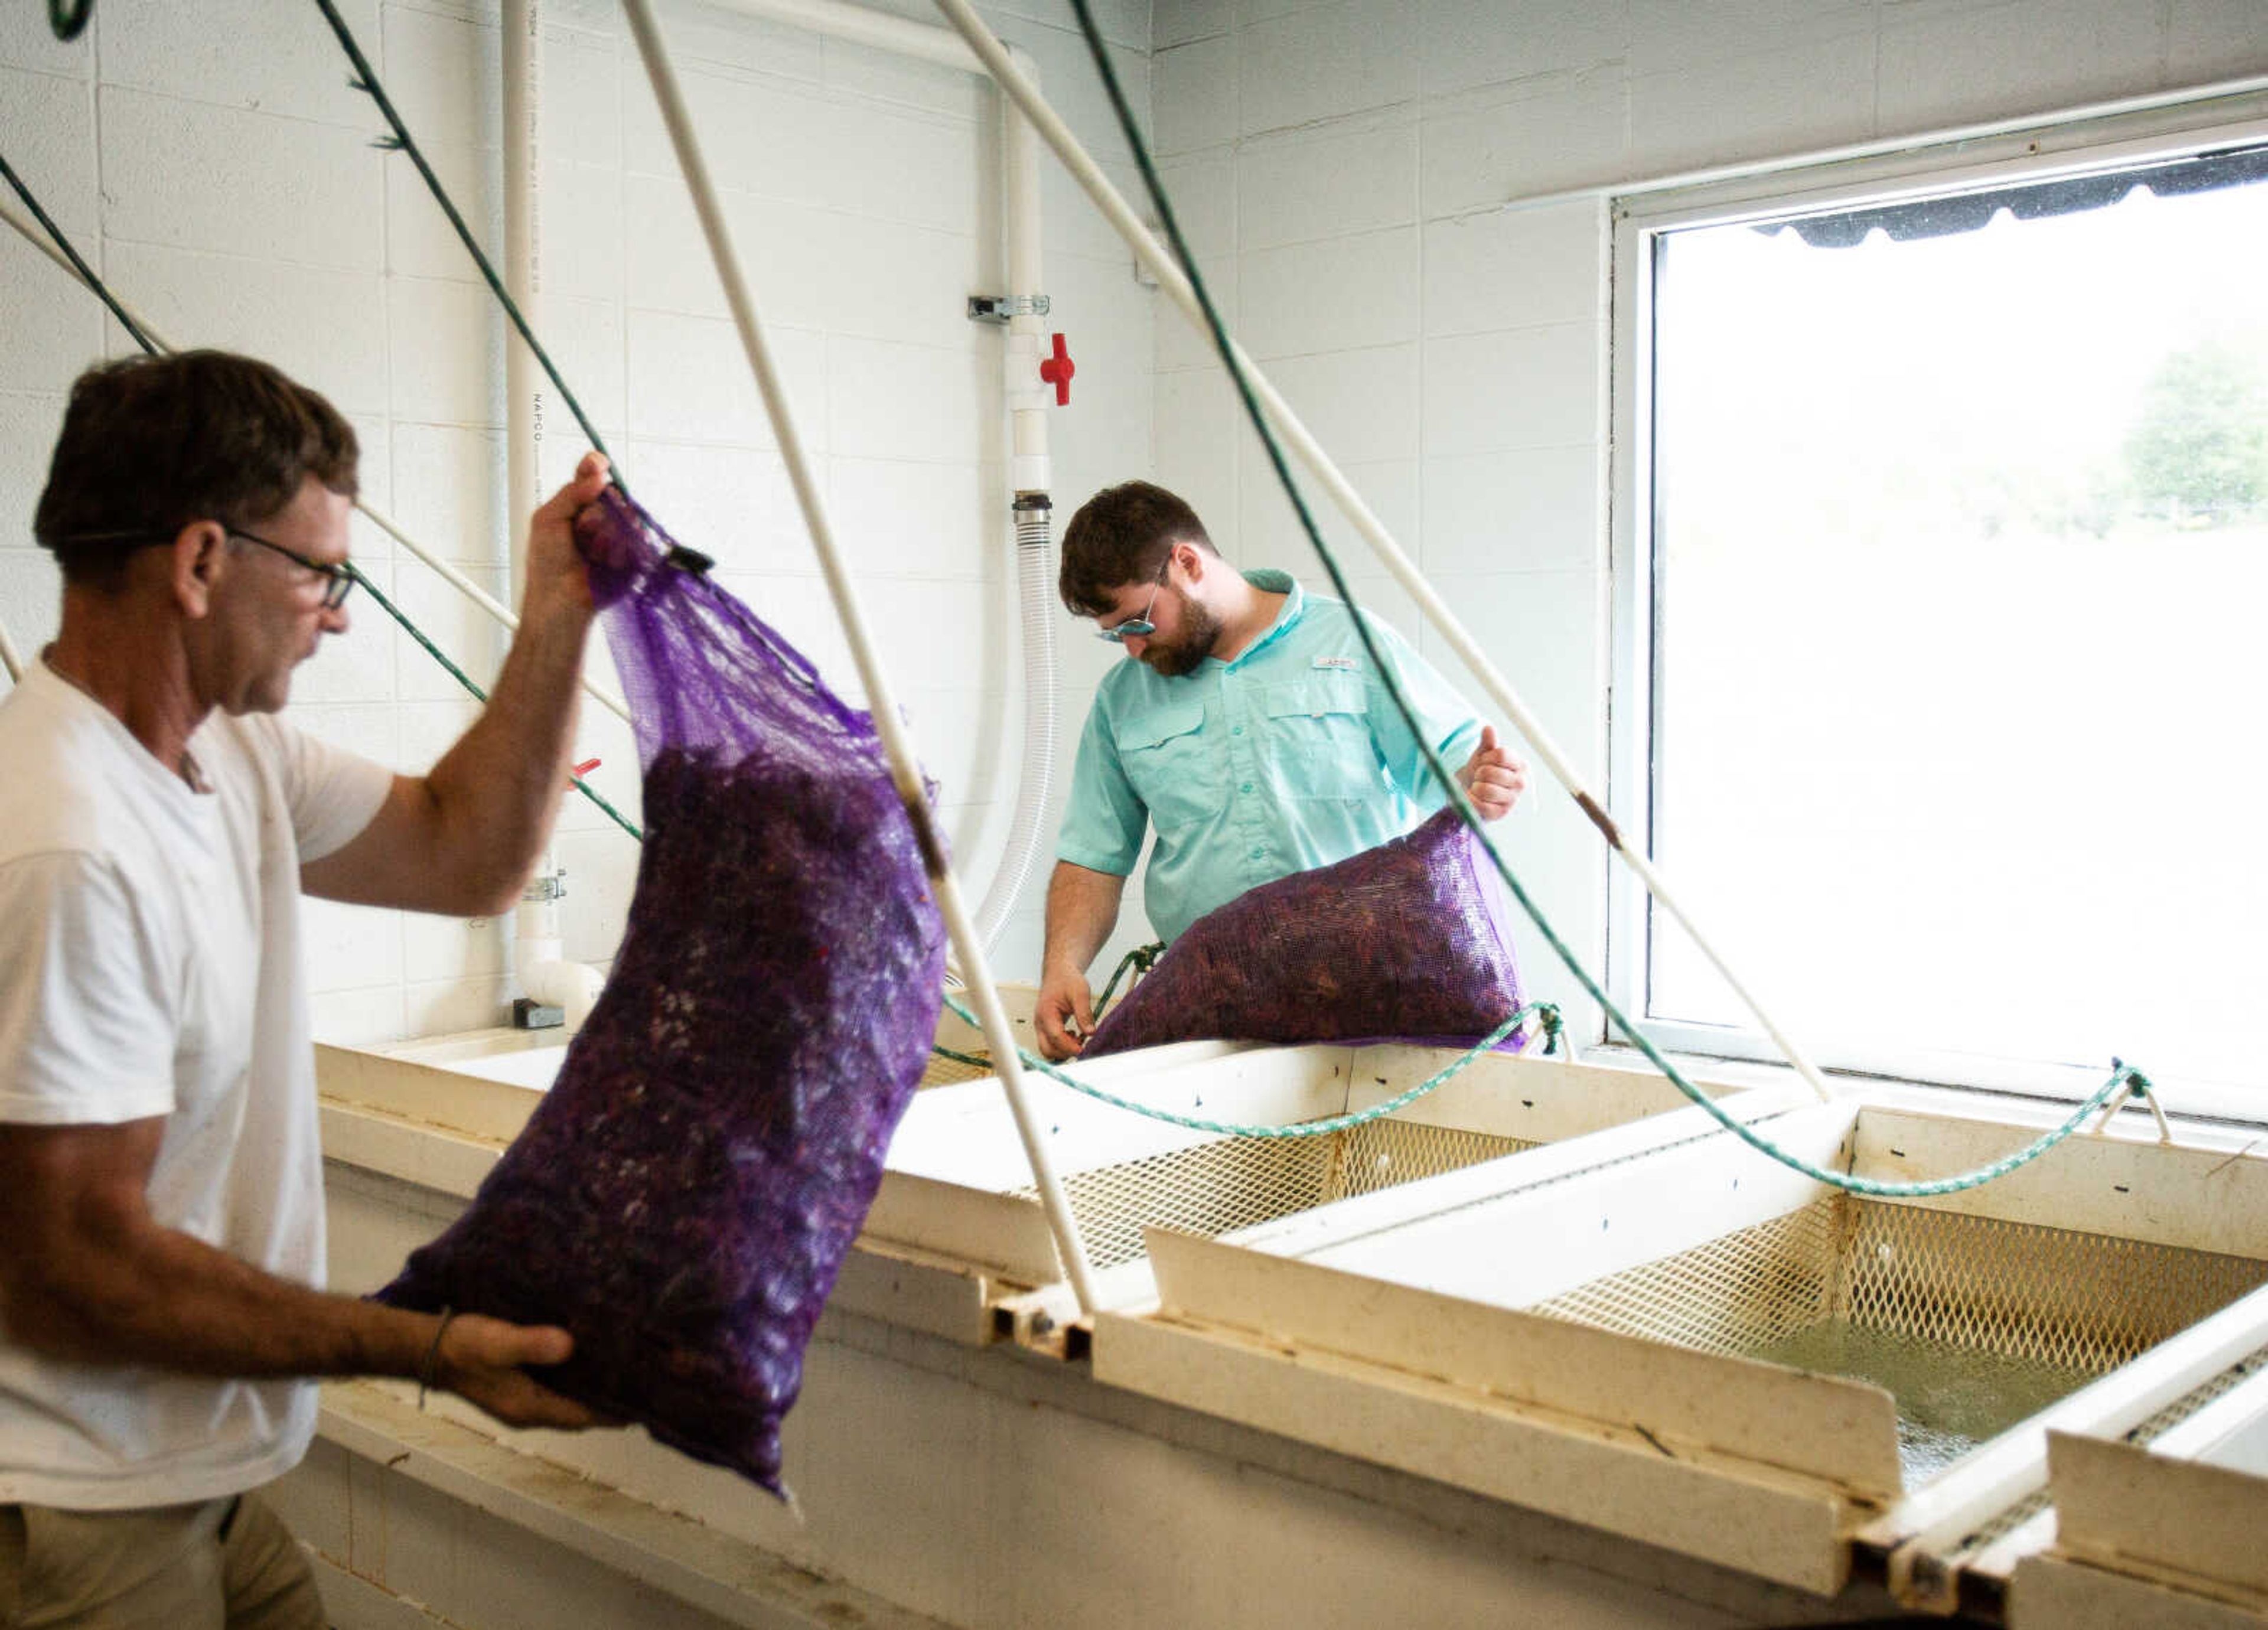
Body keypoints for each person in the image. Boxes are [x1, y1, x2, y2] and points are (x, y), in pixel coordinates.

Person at [0, 350, 619, 1629]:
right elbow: (73, 1264)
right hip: (71, 1498)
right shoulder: (67, 842)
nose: (336, 615)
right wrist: (427, 1349)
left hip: (197, 1467)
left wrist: (560, 607)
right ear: (199, 563)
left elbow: (469, 851)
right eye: (320, 574)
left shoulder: (235, 753)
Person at [1035, 480, 1529, 1060]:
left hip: (1366, 1003)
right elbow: (1094, 856)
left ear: (1187, 563)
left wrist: (1487, 777)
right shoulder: (1122, 699)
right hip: (1213, 1009)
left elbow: (1457, 763)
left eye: (1138, 624)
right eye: (1114, 635)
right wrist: (1062, 965)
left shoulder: (1349, 643)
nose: (1133, 650)